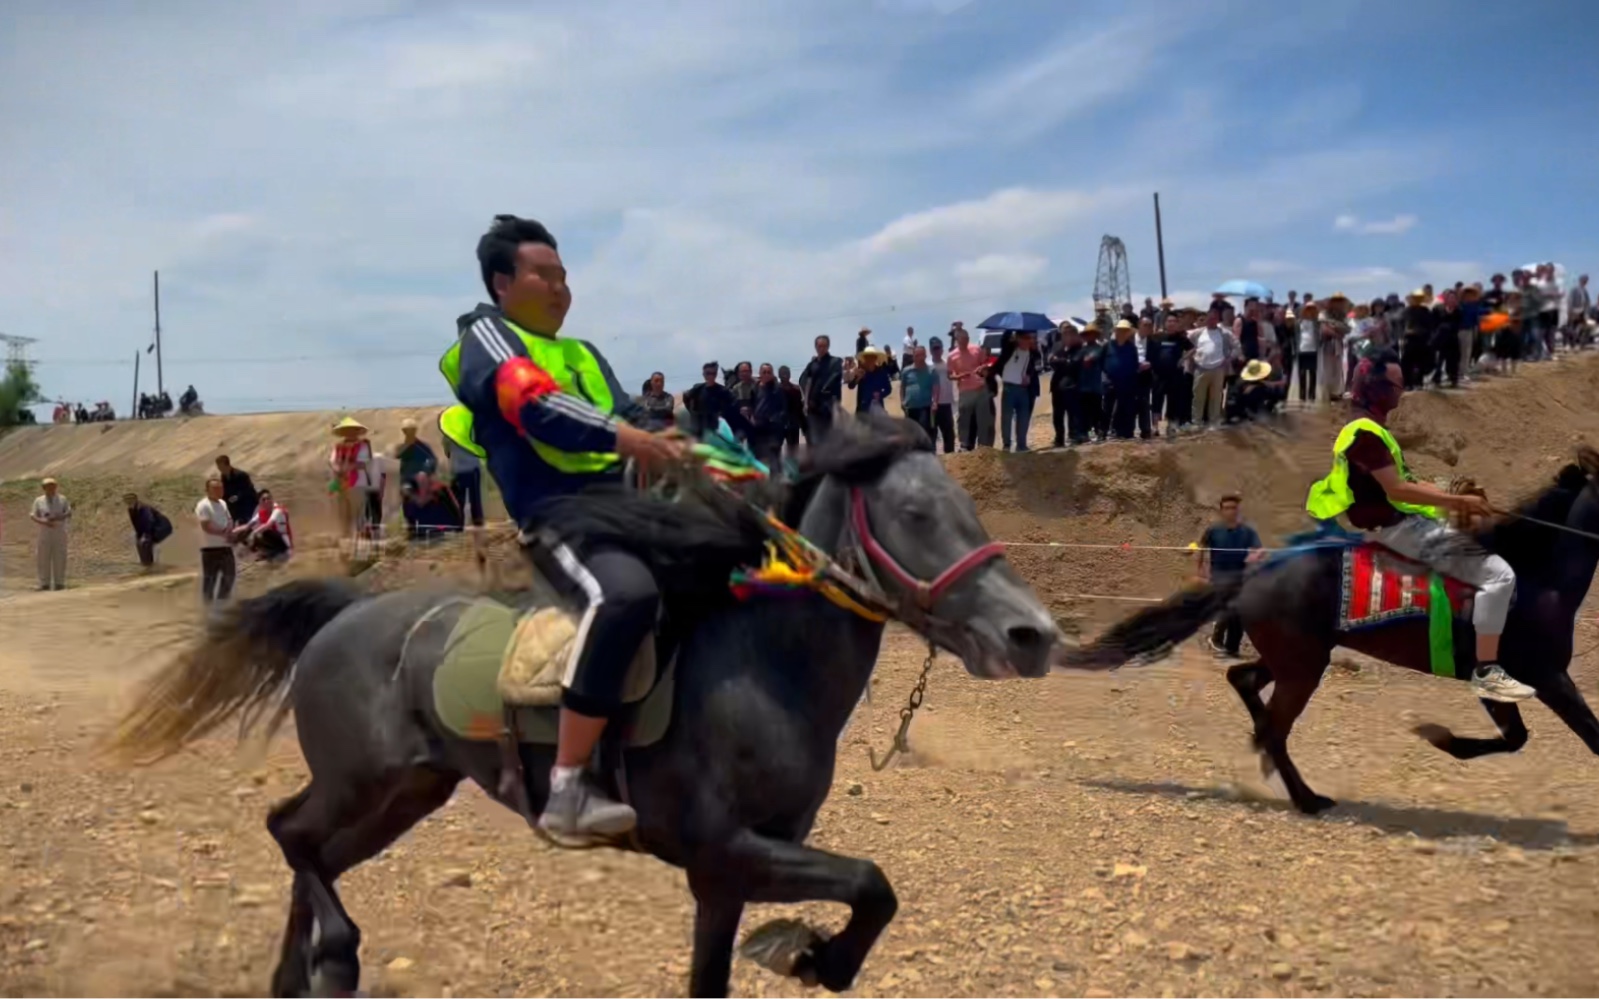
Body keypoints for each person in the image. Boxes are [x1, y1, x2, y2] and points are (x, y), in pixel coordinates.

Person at [440, 214, 688, 842]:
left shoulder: (583, 353)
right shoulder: (488, 338)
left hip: (629, 509)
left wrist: (673, 439)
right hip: (562, 517)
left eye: (564, 276)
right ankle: (569, 786)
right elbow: (534, 405)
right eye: (543, 275)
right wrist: (630, 439)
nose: (559, 288)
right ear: (502, 283)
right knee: (625, 596)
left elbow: (631, 412)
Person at [1305, 347, 1534, 702]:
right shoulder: (1365, 434)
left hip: (1401, 523)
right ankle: (1486, 671)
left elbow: (1408, 481)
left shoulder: (1371, 430)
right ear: (1377, 388)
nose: (1401, 393)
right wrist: (1458, 502)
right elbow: (1396, 489)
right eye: (1397, 386)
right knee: (1500, 576)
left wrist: (1449, 492)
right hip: (1398, 531)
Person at [1198, 495, 1262, 658]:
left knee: (1238, 614)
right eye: (1227, 508)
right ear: (1221, 511)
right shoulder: (1213, 530)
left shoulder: (1247, 531)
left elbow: (1259, 549)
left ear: (1238, 510)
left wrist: (1254, 556)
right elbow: (1201, 548)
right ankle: (1217, 638)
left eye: (1233, 508)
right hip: (1219, 577)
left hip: (1240, 577)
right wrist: (1201, 570)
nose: (1230, 511)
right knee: (1228, 608)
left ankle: (1231, 649)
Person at [992, 330, 1042, 451]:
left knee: (1023, 417)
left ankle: (1021, 444)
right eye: (1026, 338)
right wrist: (1011, 329)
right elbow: (1004, 340)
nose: (1028, 341)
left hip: (1023, 388)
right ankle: (1007, 444)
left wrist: (1029, 376)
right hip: (1009, 387)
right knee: (1007, 417)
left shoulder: (1032, 353)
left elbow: (1036, 367)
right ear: (1018, 339)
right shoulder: (1010, 349)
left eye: (1029, 338)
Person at [947, 325, 994, 450]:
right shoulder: (952, 356)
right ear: (957, 340)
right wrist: (959, 376)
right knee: (964, 419)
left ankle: (984, 446)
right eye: (962, 339)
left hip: (980, 389)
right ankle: (964, 445)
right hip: (965, 391)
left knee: (983, 419)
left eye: (967, 339)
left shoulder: (976, 349)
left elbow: (986, 364)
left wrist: (983, 369)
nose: (965, 342)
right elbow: (949, 375)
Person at [1189, 304, 1234, 429]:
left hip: (1218, 369)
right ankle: (1196, 423)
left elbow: (1236, 346)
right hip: (1200, 368)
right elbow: (1186, 343)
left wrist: (1229, 358)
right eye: (1209, 318)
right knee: (1198, 398)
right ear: (1206, 318)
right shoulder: (1197, 333)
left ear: (1218, 319)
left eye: (1214, 318)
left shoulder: (1225, 333)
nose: (1211, 320)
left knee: (1216, 398)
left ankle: (1214, 423)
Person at [195, 475, 237, 603]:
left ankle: (221, 603)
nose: (219, 491)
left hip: (225, 547)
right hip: (210, 549)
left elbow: (229, 519)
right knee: (210, 580)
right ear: (207, 490)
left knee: (230, 576)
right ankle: (208, 607)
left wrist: (230, 530)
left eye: (221, 488)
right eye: (215, 488)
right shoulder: (203, 505)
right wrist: (224, 533)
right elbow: (206, 526)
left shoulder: (223, 503)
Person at [797, 335, 843, 444]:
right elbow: (803, 380)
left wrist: (825, 389)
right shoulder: (812, 364)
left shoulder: (835, 361)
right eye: (819, 346)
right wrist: (806, 402)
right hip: (813, 408)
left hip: (829, 407)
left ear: (828, 346)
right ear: (816, 347)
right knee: (815, 440)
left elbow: (836, 376)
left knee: (829, 439)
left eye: (824, 346)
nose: (821, 349)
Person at [31, 477, 71, 590]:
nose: (51, 488)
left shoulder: (62, 499)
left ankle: (59, 583)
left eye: (53, 486)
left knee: (60, 556)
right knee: (43, 557)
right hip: (44, 531)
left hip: (59, 530)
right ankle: (44, 583)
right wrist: (43, 522)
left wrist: (58, 517)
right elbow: (33, 515)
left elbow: (68, 512)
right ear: (44, 488)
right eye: (48, 486)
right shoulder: (39, 500)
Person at [747, 362, 788, 468]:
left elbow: (783, 408)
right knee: (759, 457)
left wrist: (777, 421)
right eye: (764, 372)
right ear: (760, 373)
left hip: (773, 429)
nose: (766, 375)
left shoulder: (777, 389)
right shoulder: (755, 388)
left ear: (772, 374)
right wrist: (752, 418)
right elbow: (752, 405)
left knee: (774, 457)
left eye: (769, 372)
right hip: (758, 428)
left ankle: (776, 477)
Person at [442, 434, 487, 529]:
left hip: (458, 468)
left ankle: (459, 522)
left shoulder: (449, 430)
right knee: (475, 498)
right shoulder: (472, 429)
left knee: (458, 498)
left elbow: (446, 448)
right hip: (472, 466)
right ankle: (477, 521)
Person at [682, 361, 734, 439]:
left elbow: (732, 404)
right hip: (699, 426)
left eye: (713, 373)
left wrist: (722, 416)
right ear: (704, 374)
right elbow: (686, 397)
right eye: (708, 373)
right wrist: (692, 412)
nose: (711, 376)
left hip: (716, 427)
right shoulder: (698, 388)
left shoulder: (723, 391)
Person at [239, 487, 293, 562]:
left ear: (272, 499)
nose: (267, 501)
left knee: (261, 532)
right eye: (263, 500)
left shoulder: (278, 510)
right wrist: (231, 532)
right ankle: (259, 552)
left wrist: (253, 533)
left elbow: (268, 525)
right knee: (246, 531)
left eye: (268, 498)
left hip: (284, 543)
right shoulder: (261, 512)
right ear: (260, 502)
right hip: (273, 539)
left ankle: (272, 553)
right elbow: (247, 526)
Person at [125, 492, 173, 569]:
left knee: (145, 541)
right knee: (137, 539)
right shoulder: (131, 510)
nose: (129, 502)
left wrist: (145, 535)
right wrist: (139, 535)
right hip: (151, 528)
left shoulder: (144, 508)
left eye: (131, 500)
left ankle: (149, 564)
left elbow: (149, 522)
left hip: (162, 527)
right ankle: (144, 562)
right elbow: (136, 524)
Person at [900, 345, 937, 441]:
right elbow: (902, 387)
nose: (920, 358)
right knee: (910, 434)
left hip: (925, 407)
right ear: (913, 356)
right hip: (909, 407)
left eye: (922, 355)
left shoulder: (931, 370)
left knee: (924, 431)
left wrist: (935, 402)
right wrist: (902, 401)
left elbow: (936, 387)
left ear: (925, 355)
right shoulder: (906, 371)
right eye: (917, 355)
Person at [926, 337, 956, 453]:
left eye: (938, 348)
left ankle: (950, 457)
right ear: (930, 350)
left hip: (946, 402)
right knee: (932, 433)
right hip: (932, 405)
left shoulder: (948, 364)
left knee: (949, 433)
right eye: (934, 349)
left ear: (942, 349)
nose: (937, 351)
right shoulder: (927, 365)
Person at [847, 345, 893, 414]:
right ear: (864, 358)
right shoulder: (861, 371)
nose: (869, 359)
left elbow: (888, 389)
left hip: (878, 408)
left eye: (871, 357)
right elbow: (851, 386)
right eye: (867, 357)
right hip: (863, 410)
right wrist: (858, 378)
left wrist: (880, 394)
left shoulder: (882, 372)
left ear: (875, 358)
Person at [215, 455, 259, 525]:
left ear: (226, 464)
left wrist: (237, 497)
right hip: (234, 505)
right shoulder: (224, 477)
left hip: (247, 504)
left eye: (220, 466)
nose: (219, 468)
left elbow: (248, 489)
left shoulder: (241, 475)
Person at [776, 364, 806, 456]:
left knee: (793, 452)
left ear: (790, 375)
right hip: (779, 425)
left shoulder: (796, 389)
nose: (785, 375)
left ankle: (792, 465)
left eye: (787, 373)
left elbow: (800, 409)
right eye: (783, 373)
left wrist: (804, 426)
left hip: (793, 425)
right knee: (776, 451)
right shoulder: (775, 390)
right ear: (779, 375)